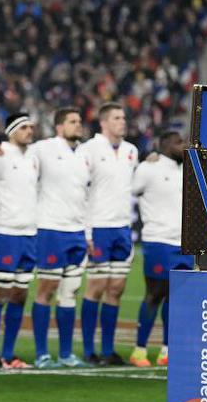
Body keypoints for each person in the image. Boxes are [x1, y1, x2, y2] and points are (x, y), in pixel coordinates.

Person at [29, 107, 91, 369]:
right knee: (46, 290)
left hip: (77, 231)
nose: (78, 125)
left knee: (70, 292)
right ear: (59, 127)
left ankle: (66, 354)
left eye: (79, 121)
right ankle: (42, 354)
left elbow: (86, 195)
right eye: (72, 121)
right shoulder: (43, 149)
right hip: (50, 229)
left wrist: (87, 232)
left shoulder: (85, 154)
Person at [77, 102, 138, 366]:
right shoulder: (88, 149)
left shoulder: (131, 151)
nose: (122, 122)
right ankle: (89, 350)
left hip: (122, 228)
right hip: (98, 226)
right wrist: (86, 230)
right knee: (97, 287)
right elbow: (79, 189)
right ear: (103, 122)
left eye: (123, 118)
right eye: (116, 118)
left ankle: (108, 350)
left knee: (116, 289)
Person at [130, 130, 191, 367]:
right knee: (154, 294)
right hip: (158, 240)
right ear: (165, 144)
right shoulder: (149, 168)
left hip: (184, 243)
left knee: (177, 298)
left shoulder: (188, 170)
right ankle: (139, 350)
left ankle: (166, 350)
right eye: (178, 142)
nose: (184, 145)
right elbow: (129, 191)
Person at [0, 113, 38, 370]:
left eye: (31, 127)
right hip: (5, 232)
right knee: (0, 293)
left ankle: (9, 354)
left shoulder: (34, 156)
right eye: (24, 127)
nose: (30, 131)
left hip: (29, 233)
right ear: (11, 131)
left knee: (20, 294)